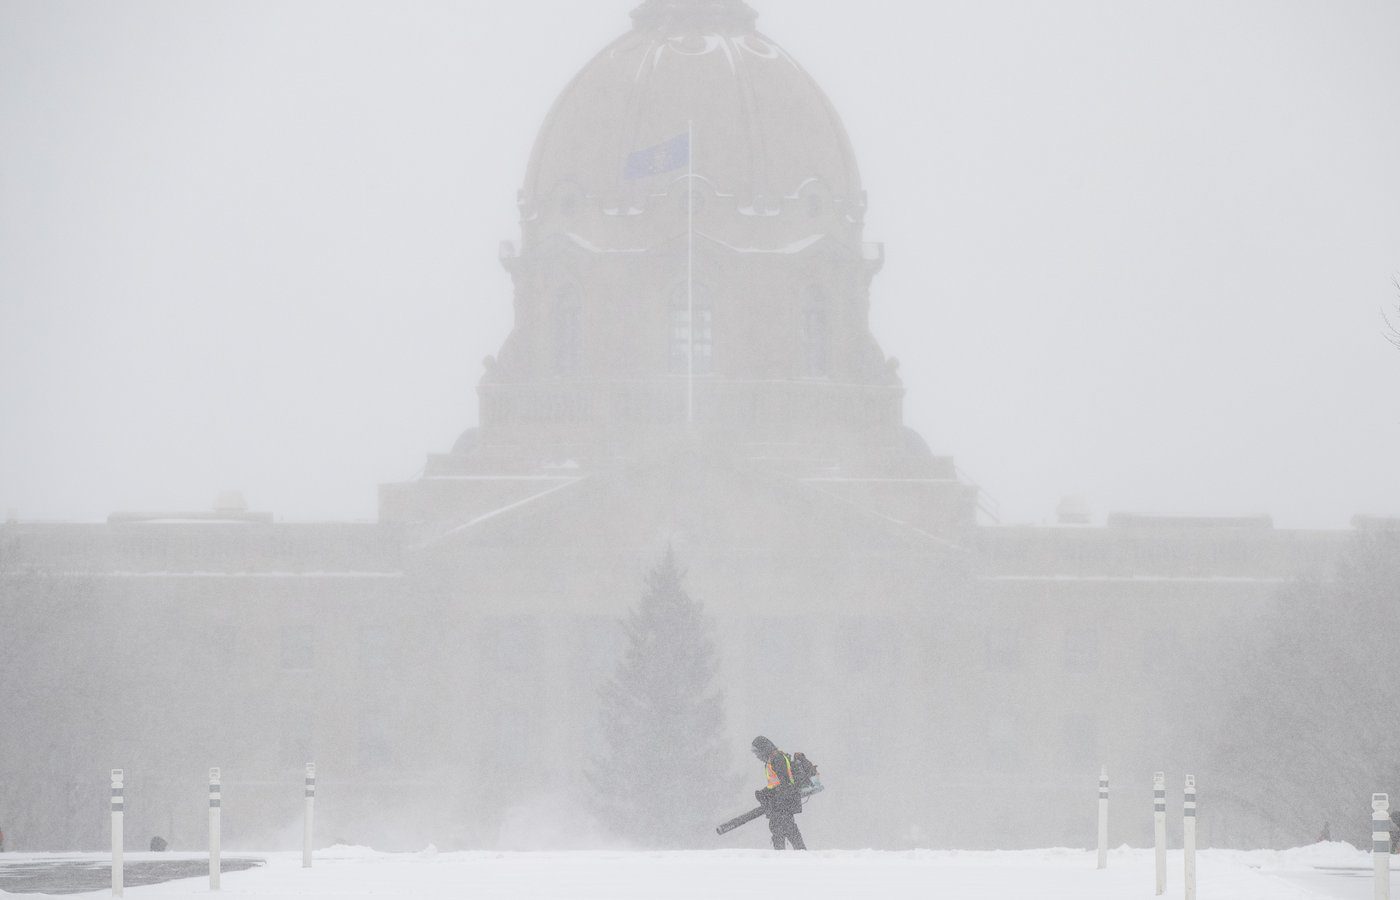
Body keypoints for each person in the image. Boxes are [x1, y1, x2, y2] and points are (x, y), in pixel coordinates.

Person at [750, 735, 806, 850]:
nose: (757, 756)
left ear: (763, 749)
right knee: (784, 829)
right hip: (783, 802)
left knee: (783, 828)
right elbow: (776, 784)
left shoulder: (777, 759)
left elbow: (784, 783)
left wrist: (769, 796)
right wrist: (765, 793)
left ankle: (789, 854)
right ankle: (798, 853)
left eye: (757, 752)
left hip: (784, 802)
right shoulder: (773, 759)